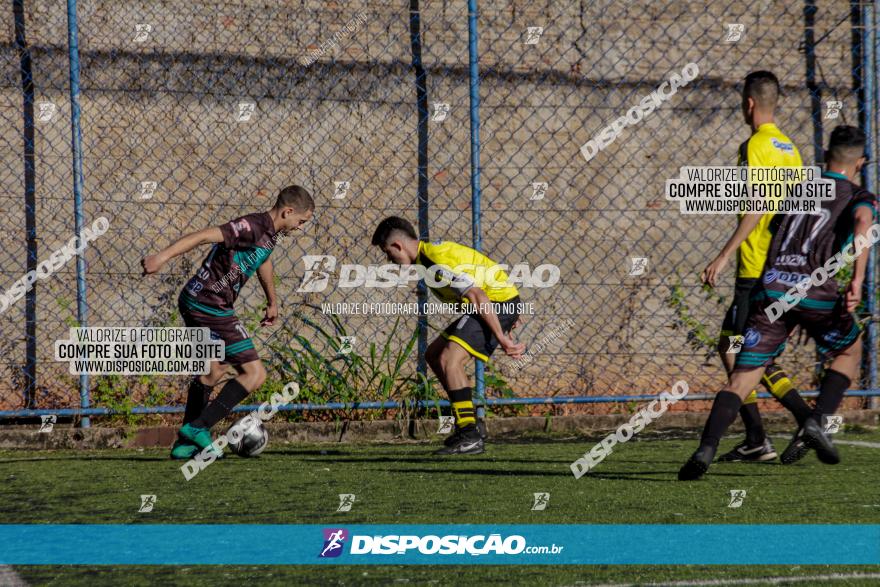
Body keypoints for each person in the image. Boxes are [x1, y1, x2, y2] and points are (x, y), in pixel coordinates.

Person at [680, 125, 877, 480]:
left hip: (772, 290)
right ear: (860, 162)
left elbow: (769, 227)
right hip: (815, 290)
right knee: (851, 350)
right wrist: (858, 280)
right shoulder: (858, 194)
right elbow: (863, 224)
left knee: (740, 378)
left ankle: (705, 448)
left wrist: (776, 296)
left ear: (825, 156)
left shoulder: (798, 188)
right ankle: (815, 422)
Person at [142, 185, 314, 459]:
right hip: (209, 305)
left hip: (199, 301)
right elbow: (204, 235)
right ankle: (199, 427)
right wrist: (161, 257)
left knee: (214, 370)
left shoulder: (269, 235)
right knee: (255, 374)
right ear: (288, 211)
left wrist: (272, 301)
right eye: (301, 221)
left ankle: (184, 444)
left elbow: (263, 260)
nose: (301, 227)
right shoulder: (250, 226)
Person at [702, 71, 806, 462]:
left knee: (742, 352)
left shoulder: (755, 145)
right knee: (737, 347)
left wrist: (724, 254)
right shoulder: (790, 148)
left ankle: (803, 421)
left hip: (754, 266)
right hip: (782, 266)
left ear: (749, 104)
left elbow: (757, 205)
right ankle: (758, 437)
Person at [371, 217, 525, 455]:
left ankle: (470, 434)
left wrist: (502, 334)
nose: (389, 260)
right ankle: (470, 426)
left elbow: (478, 295)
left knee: (449, 360)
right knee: (434, 355)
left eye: (388, 253)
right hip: (499, 302)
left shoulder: (434, 262)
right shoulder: (427, 257)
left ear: (398, 246)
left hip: (495, 303)